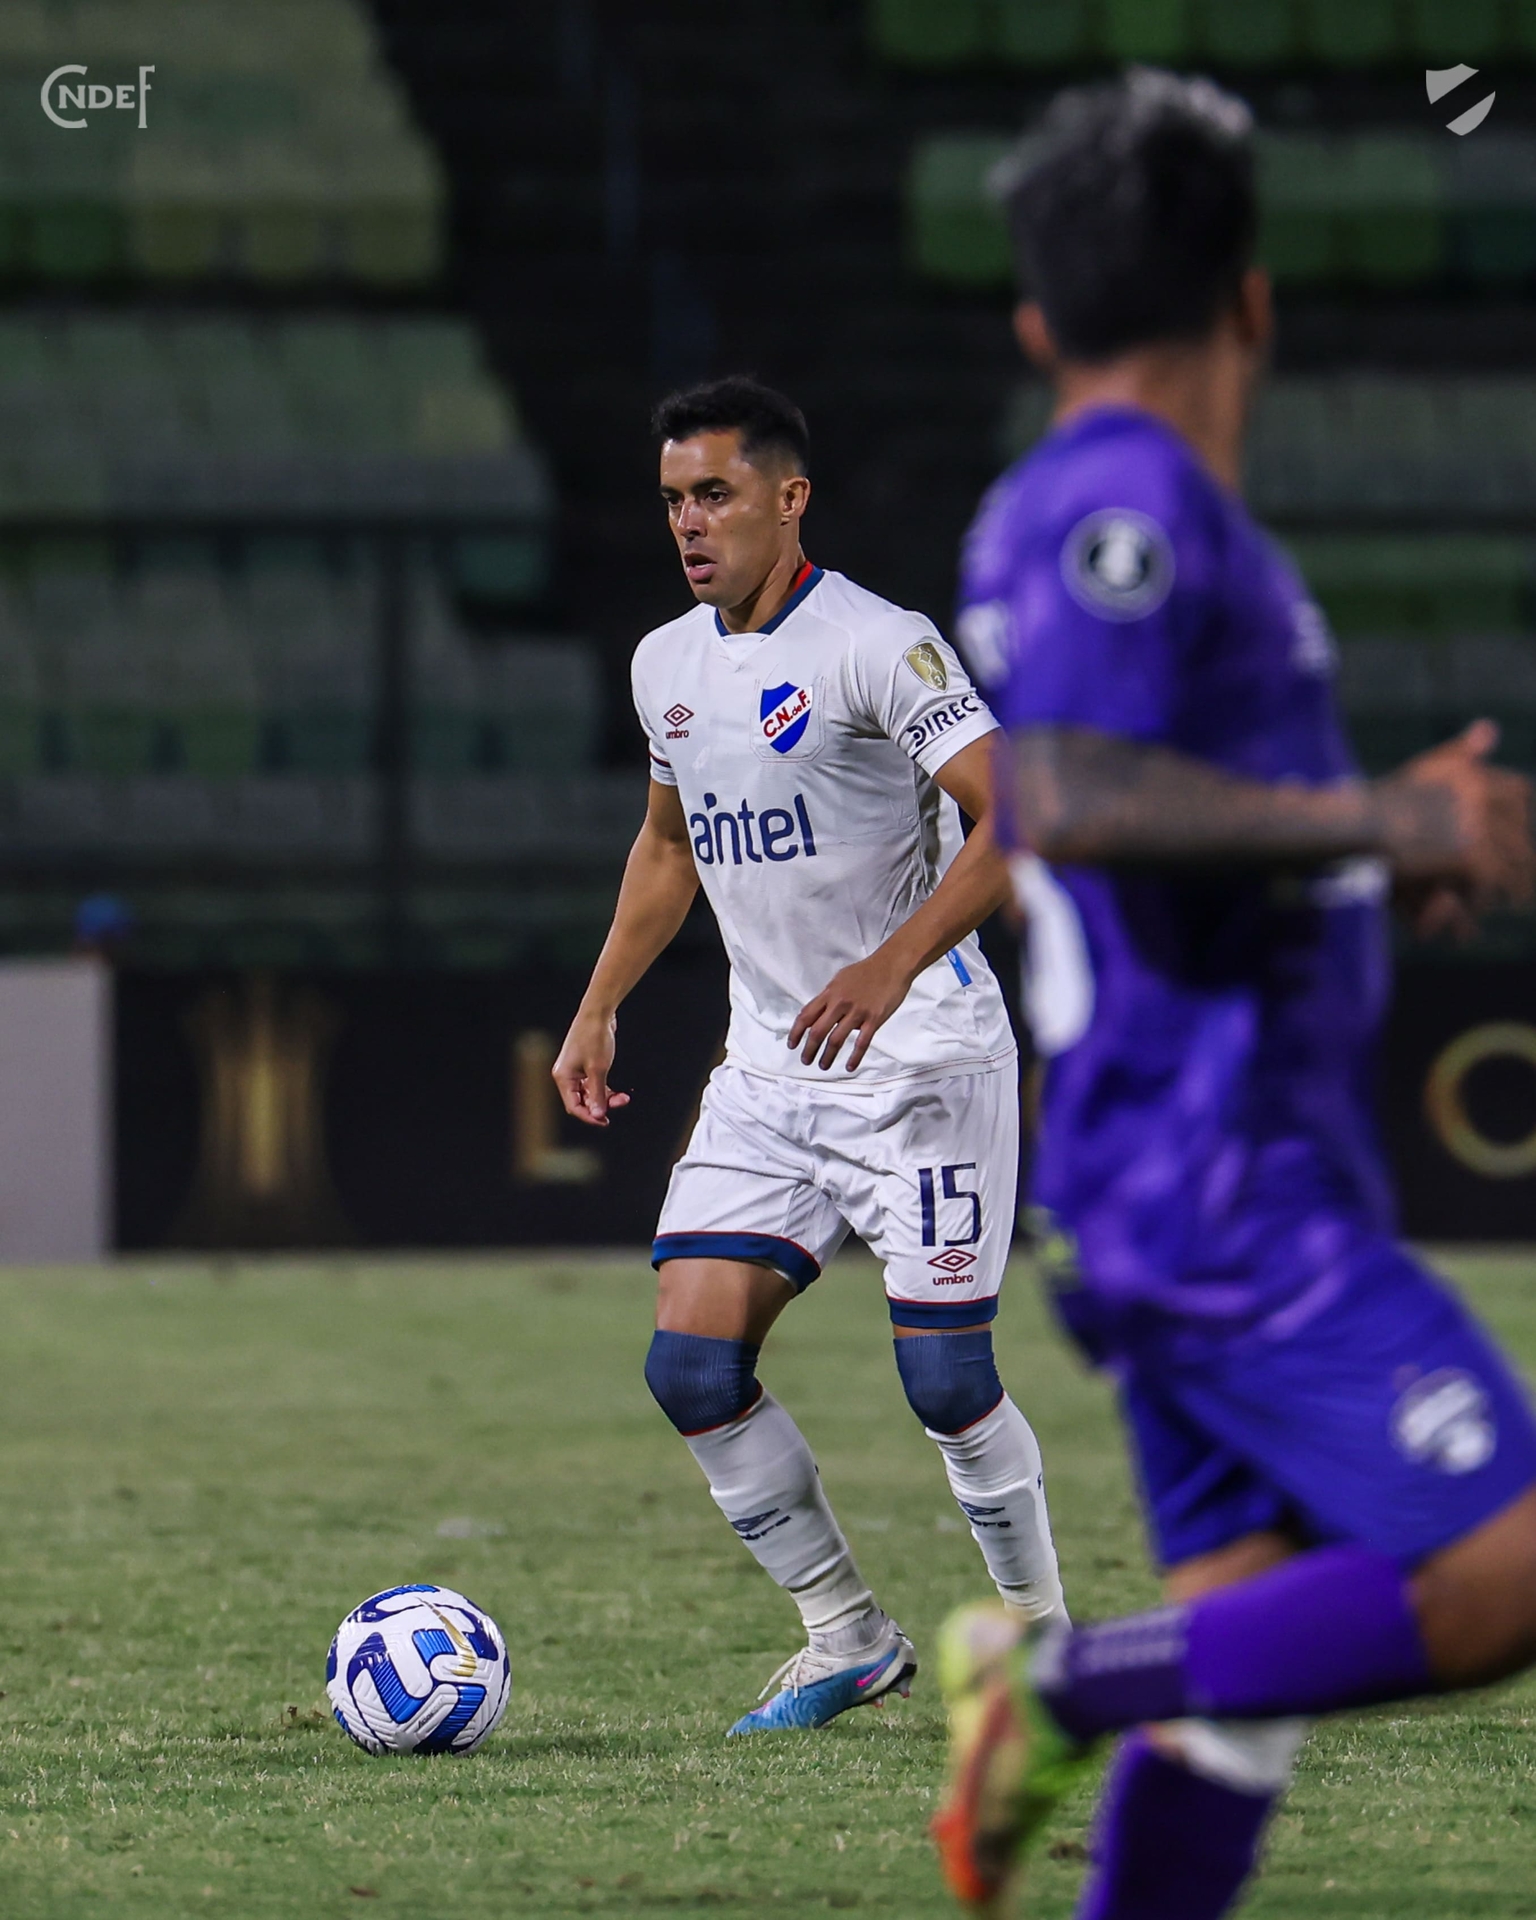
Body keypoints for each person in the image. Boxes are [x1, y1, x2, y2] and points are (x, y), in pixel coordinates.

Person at [932, 69, 1536, 1917]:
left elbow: (1159, 803)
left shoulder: (1119, 506)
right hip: (1214, 1177)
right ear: (1252, 301)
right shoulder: (1120, 500)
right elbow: (1070, 792)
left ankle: (1094, 1709)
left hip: (1207, 1156)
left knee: (1246, 1691)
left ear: (1038, 325)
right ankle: (1052, 1687)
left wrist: (1361, 853)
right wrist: (1381, 815)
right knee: (1509, 1562)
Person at [553, 375, 1065, 1736]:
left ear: (789, 500)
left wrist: (892, 962)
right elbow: (669, 845)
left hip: (924, 1061)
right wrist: (600, 1002)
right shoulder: (666, 665)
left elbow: (1016, 814)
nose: (688, 522)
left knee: (947, 1383)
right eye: (674, 499)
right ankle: (847, 1634)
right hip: (772, 1072)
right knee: (689, 1368)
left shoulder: (878, 646)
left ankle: (1046, 1649)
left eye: (714, 494)